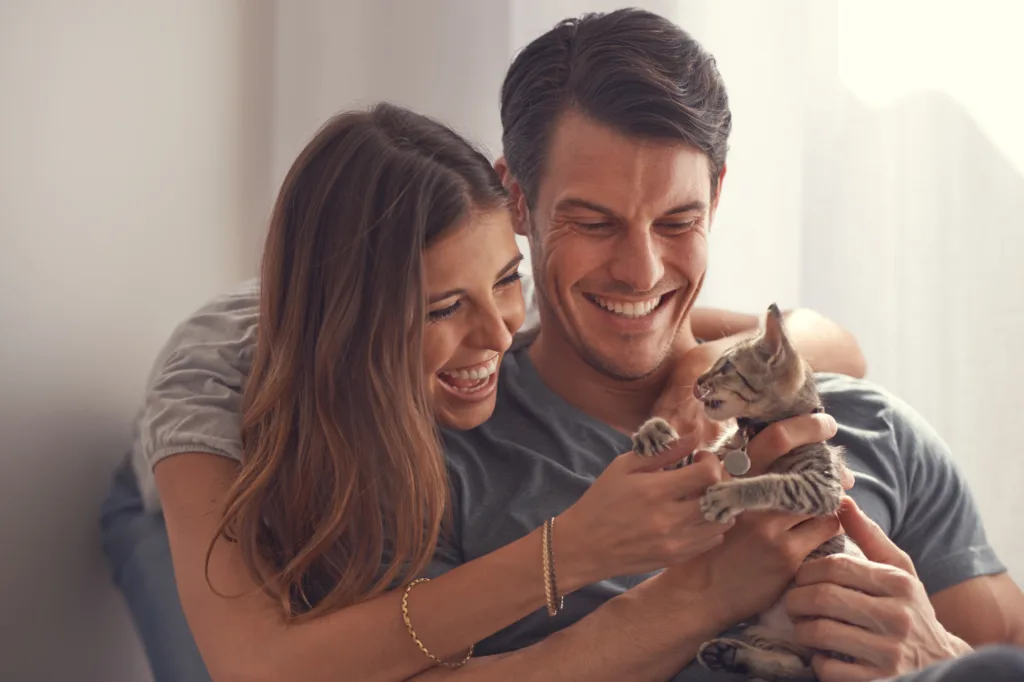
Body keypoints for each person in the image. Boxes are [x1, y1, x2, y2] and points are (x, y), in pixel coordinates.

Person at [99, 8, 1024, 682]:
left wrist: (937, 654)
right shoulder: (417, 467)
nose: (641, 268)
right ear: (518, 200)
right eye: (591, 221)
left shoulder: (863, 421)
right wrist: (660, 577)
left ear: (720, 198)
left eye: (678, 220)